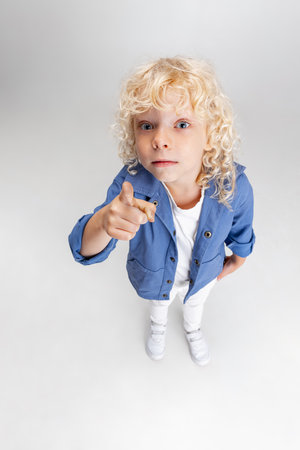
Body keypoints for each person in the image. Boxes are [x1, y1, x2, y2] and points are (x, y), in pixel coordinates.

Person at [68, 56, 255, 366]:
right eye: (147, 125)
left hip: (204, 271)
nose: (159, 140)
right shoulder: (131, 185)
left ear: (209, 136)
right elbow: (84, 248)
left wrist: (241, 253)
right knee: (159, 303)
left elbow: (241, 223)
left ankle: (192, 329)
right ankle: (158, 326)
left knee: (195, 304)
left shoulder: (233, 183)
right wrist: (104, 221)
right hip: (155, 274)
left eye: (181, 124)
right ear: (134, 134)